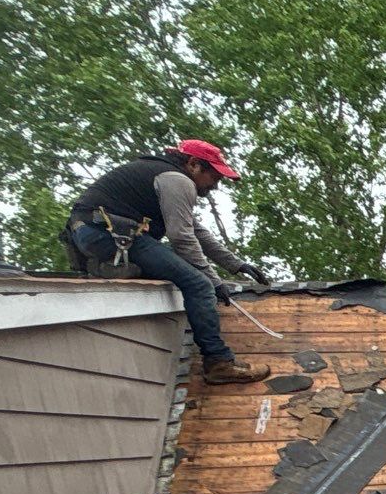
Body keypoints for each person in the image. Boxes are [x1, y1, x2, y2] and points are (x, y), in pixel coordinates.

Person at [65, 140, 272, 384]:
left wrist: (235, 264)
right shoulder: (178, 180)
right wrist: (213, 281)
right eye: (214, 176)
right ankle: (218, 363)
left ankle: (116, 268)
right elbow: (181, 238)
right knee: (199, 286)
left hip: (91, 232)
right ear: (194, 164)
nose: (216, 186)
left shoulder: (164, 176)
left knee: (176, 276)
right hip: (111, 234)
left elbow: (194, 230)